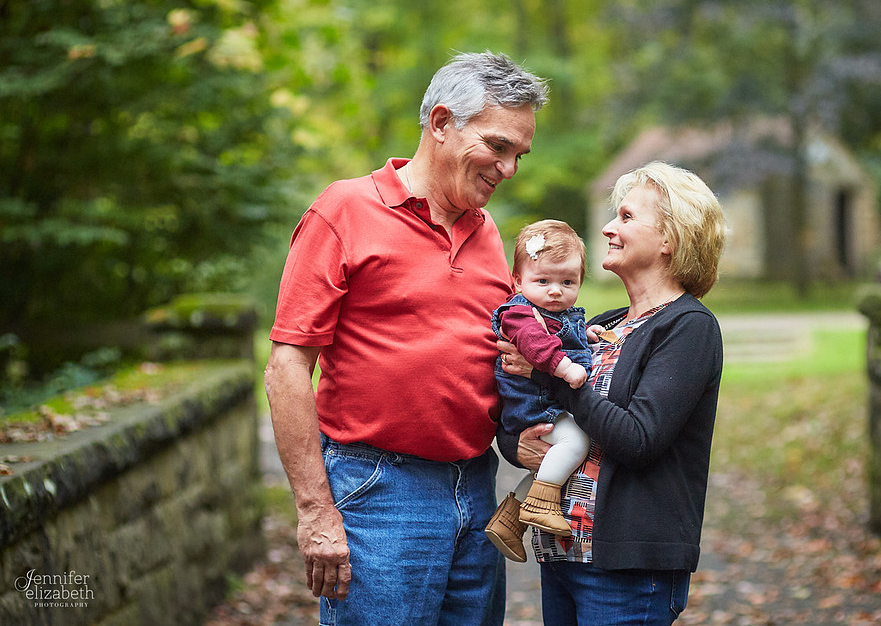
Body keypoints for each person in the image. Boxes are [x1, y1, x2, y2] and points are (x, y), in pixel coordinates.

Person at [264, 51, 548, 626]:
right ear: (441, 123)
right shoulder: (344, 209)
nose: (509, 168)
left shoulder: (489, 233)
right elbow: (286, 369)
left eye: (519, 154)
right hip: (378, 489)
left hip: (476, 488)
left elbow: (488, 360)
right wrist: (316, 511)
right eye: (497, 146)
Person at [497, 161, 727, 626]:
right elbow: (528, 412)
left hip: (627, 567)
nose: (607, 228)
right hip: (561, 554)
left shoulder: (688, 328)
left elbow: (638, 439)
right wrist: (515, 446)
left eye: (625, 217)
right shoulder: (599, 324)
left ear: (669, 239)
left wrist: (548, 377)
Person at [485, 220, 596, 563]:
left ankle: (509, 520)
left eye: (567, 282)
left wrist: (585, 335)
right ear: (517, 281)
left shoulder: (555, 313)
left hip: (541, 403)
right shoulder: (519, 313)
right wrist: (566, 368)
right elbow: (536, 348)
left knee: (553, 462)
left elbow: (565, 336)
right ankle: (542, 504)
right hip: (533, 404)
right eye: (543, 281)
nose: (555, 291)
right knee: (577, 443)